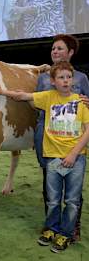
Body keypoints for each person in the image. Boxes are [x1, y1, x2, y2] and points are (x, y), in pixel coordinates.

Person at [0, 61, 89, 253]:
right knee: (52, 199)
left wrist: (73, 154)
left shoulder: (81, 101)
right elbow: (22, 95)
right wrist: (2, 91)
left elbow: (87, 131)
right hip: (52, 158)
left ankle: (66, 234)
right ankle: (52, 229)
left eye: (69, 77)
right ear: (53, 81)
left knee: (71, 201)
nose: (66, 81)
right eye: (61, 77)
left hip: (75, 159)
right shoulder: (47, 97)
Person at [34, 34, 89, 242]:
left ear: (71, 53)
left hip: (73, 138)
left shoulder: (81, 78)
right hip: (46, 134)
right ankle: (51, 225)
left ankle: (73, 226)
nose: (55, 52)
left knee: (73, 183)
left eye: (59, 48)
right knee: (49, 178)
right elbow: (35, 102)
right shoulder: (42, 78)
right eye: (53, 48)